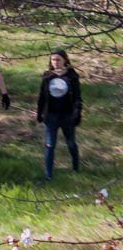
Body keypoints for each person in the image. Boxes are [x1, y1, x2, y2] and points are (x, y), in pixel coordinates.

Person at [36, 50, 82, 181]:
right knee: (50, 145)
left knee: (71, 143)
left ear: (65, 60)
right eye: (53, 60)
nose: (55, 63)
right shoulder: (47, 76)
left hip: (67, 115)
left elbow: (78, 97)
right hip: (51, 116)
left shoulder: (72, 76)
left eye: (58, 60)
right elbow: (42, 97)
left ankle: (75, 167)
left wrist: (77, 112)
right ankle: (48, 175)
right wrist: (39, 113)